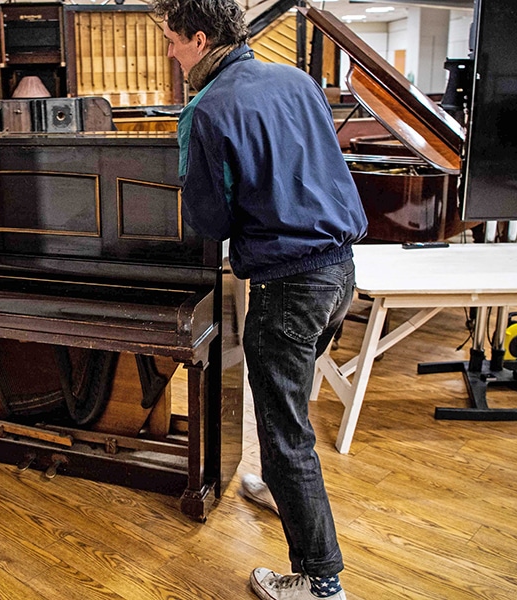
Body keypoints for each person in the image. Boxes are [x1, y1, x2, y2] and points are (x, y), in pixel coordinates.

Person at [152, 1, 368, 598]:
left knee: (283, 430)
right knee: (289, 411)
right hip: (340, 274)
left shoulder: (207, 107)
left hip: (288, 286)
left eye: (172, 41)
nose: (169, 53)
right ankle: (283, 490)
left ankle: (321, 582)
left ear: (199, 39)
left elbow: (208, 220)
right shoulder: (296, 79)